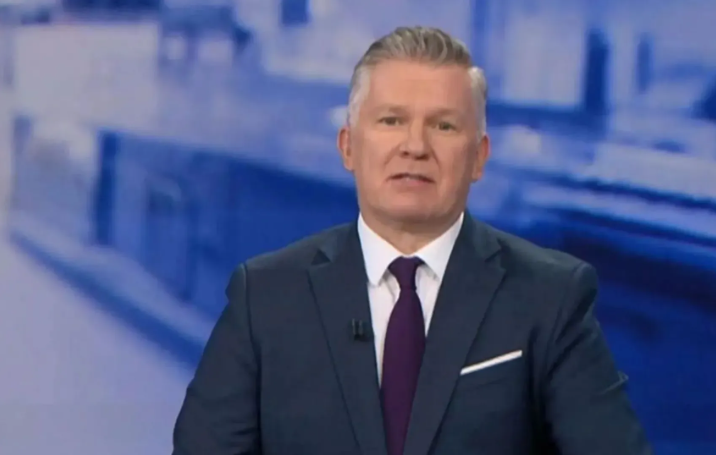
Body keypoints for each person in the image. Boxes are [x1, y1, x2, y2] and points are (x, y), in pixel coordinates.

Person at [172, 26, 652, 455]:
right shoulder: (265, 296)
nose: (415, 146)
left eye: (444, 126)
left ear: (479, 157)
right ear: (348, 147)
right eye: (391, 121)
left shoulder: (551, 298)